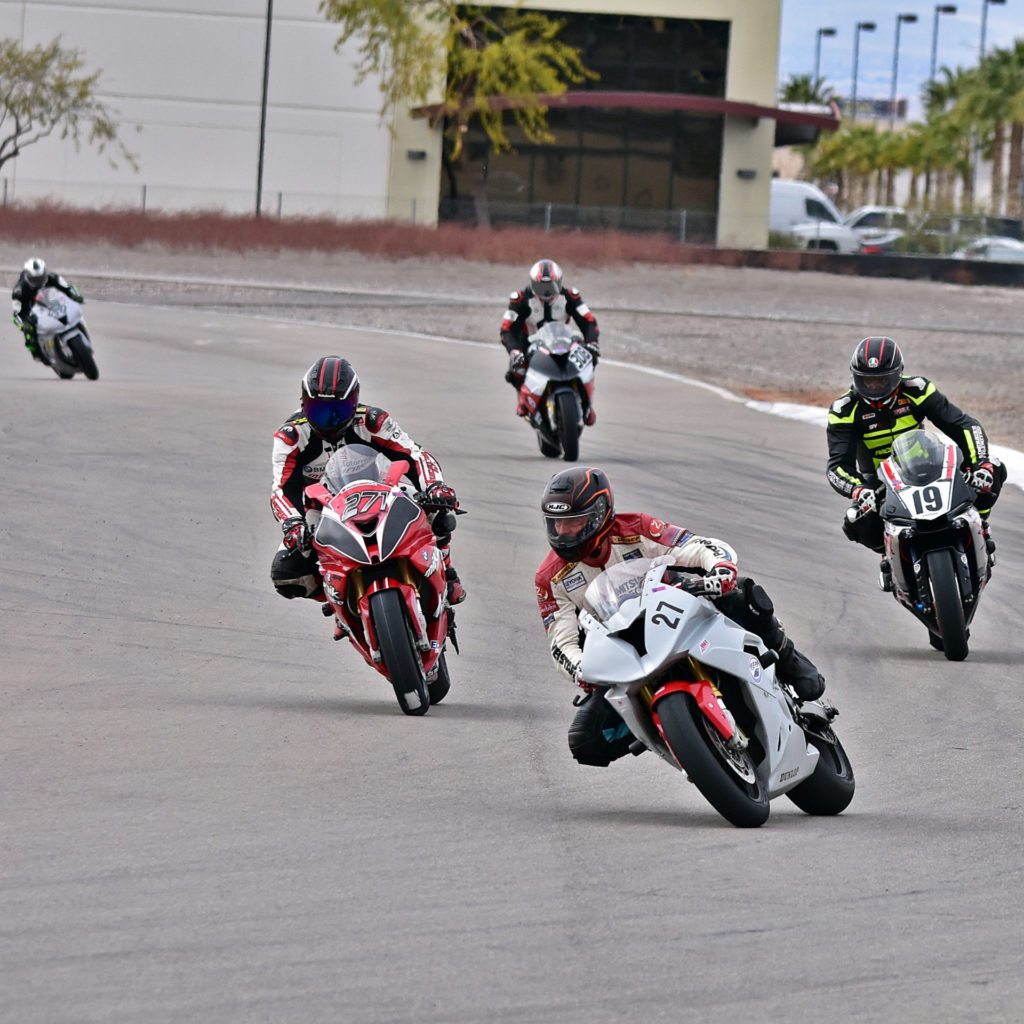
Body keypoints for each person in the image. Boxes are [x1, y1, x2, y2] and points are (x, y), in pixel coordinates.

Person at [535, 466, 827, 769]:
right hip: (622, 653)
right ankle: (667, 730)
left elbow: (695, 546)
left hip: (673, 614)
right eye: (556, 524)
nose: (562, 532)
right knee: (586, 741)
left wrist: (721, 569)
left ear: (598, 515)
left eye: (573, 522)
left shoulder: (636, 528)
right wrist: (582, 669)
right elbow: (561, 640)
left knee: (741, 593)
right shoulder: (550, 578)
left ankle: (789, 659)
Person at [271, 355, 466, 625]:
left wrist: (435, 486)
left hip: (382, 493)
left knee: (438, 511)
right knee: (286, 573)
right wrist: (292, 524)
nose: (329, 421)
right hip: (323, 509)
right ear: (304, 404)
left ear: (355, 402)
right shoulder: (290, 436)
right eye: (319, 411)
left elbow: (415, 455)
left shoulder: (373, 421)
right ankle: (338, 599)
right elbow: (281, 489)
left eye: (338, 411)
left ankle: (447, 570)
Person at [826, 336, 1005, 588]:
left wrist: (981, 463)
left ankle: (981, 524)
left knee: (994, 468)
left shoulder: (917, 389)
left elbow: (964, 425)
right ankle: (889, 557)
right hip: (880, 484)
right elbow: (837, 467)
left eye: (881, 379)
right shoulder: (844, 410)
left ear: (898, 374)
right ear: (855, 377)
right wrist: (859, 490)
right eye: (867, 380)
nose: (874, 387)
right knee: (856, 521)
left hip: (929, 467)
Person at [500, 259, 600, 415]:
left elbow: (588, 321)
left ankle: (587, 406)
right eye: (541, 287)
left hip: (563, 341)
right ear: (533, 284)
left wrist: (592, 342)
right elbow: (507, 329)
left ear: (559, 282)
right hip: (532, 344)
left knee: (589, 357)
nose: (547, 292)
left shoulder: (570, 297)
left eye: (551, 286)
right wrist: (515, 351)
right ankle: (524, 401)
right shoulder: (521, 300)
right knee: (515, 370)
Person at [11, 257, 84, 363]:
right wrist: (23, 325)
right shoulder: (19, 290)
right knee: (29, 333)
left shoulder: (53, 277)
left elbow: (68, 287)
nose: (38, 281)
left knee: (71, 308)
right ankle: (36, 352)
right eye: (34, 279)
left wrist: (75, 295)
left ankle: (78, 329)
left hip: (50, 301)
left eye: (40, 277)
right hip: (30, 310)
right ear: (27, 276)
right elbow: (16, 314)